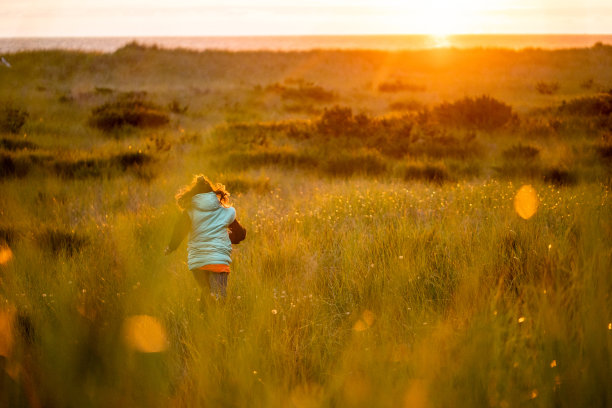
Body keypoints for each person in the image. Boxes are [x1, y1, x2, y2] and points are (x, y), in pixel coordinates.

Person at [165, 175, 246, 305]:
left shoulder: (190, 212)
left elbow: (179, 231)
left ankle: (203, 319)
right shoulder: (226, 212)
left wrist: (171, 247)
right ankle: (214, 322)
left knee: (207, 293)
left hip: (198, 263)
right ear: (213, 193)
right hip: (218, 261)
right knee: (219, 299)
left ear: (194, 195)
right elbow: (240, 234)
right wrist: (227, 238)